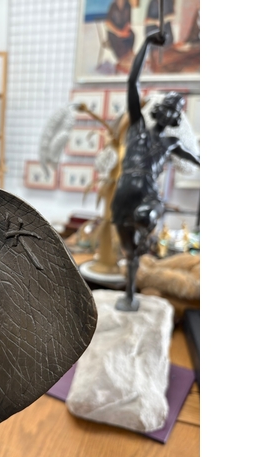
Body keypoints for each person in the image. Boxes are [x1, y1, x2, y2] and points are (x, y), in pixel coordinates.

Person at [110, 29, 200, 311]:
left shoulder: (171, 142)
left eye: (175, 109)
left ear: (175, 120)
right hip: (124, 192)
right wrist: (148, 42)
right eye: (167, 105)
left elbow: (195, 158)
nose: (169, 111)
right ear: (158, 108)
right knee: (128, 249)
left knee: (146, 216)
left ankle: (143, 242)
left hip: (147, 195)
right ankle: (130, 290)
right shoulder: (137, 127)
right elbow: (132, 81)